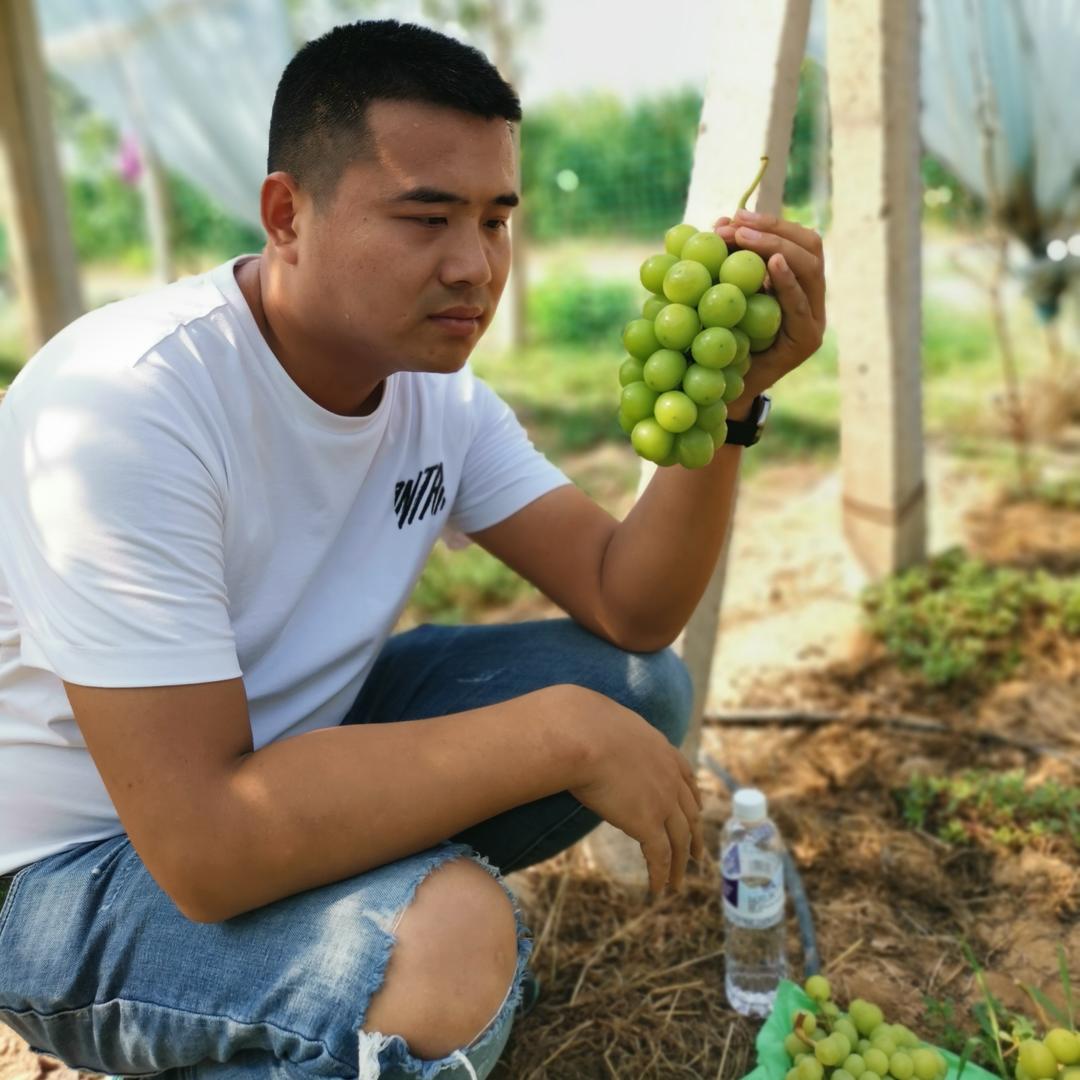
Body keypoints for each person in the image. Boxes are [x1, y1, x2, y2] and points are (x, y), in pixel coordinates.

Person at [0, 18, 826, 1080]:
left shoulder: (438, 399)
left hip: (278, 759)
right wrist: (555, 739)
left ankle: (343, 914)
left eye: (496, 219)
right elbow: (203, 847)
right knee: (449, 950)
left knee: (629, 684)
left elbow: (632, 604)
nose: (475, 266)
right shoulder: (130, 407)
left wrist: (734, 398)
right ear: (287, 215)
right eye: (426, 217)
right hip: (71, 872)